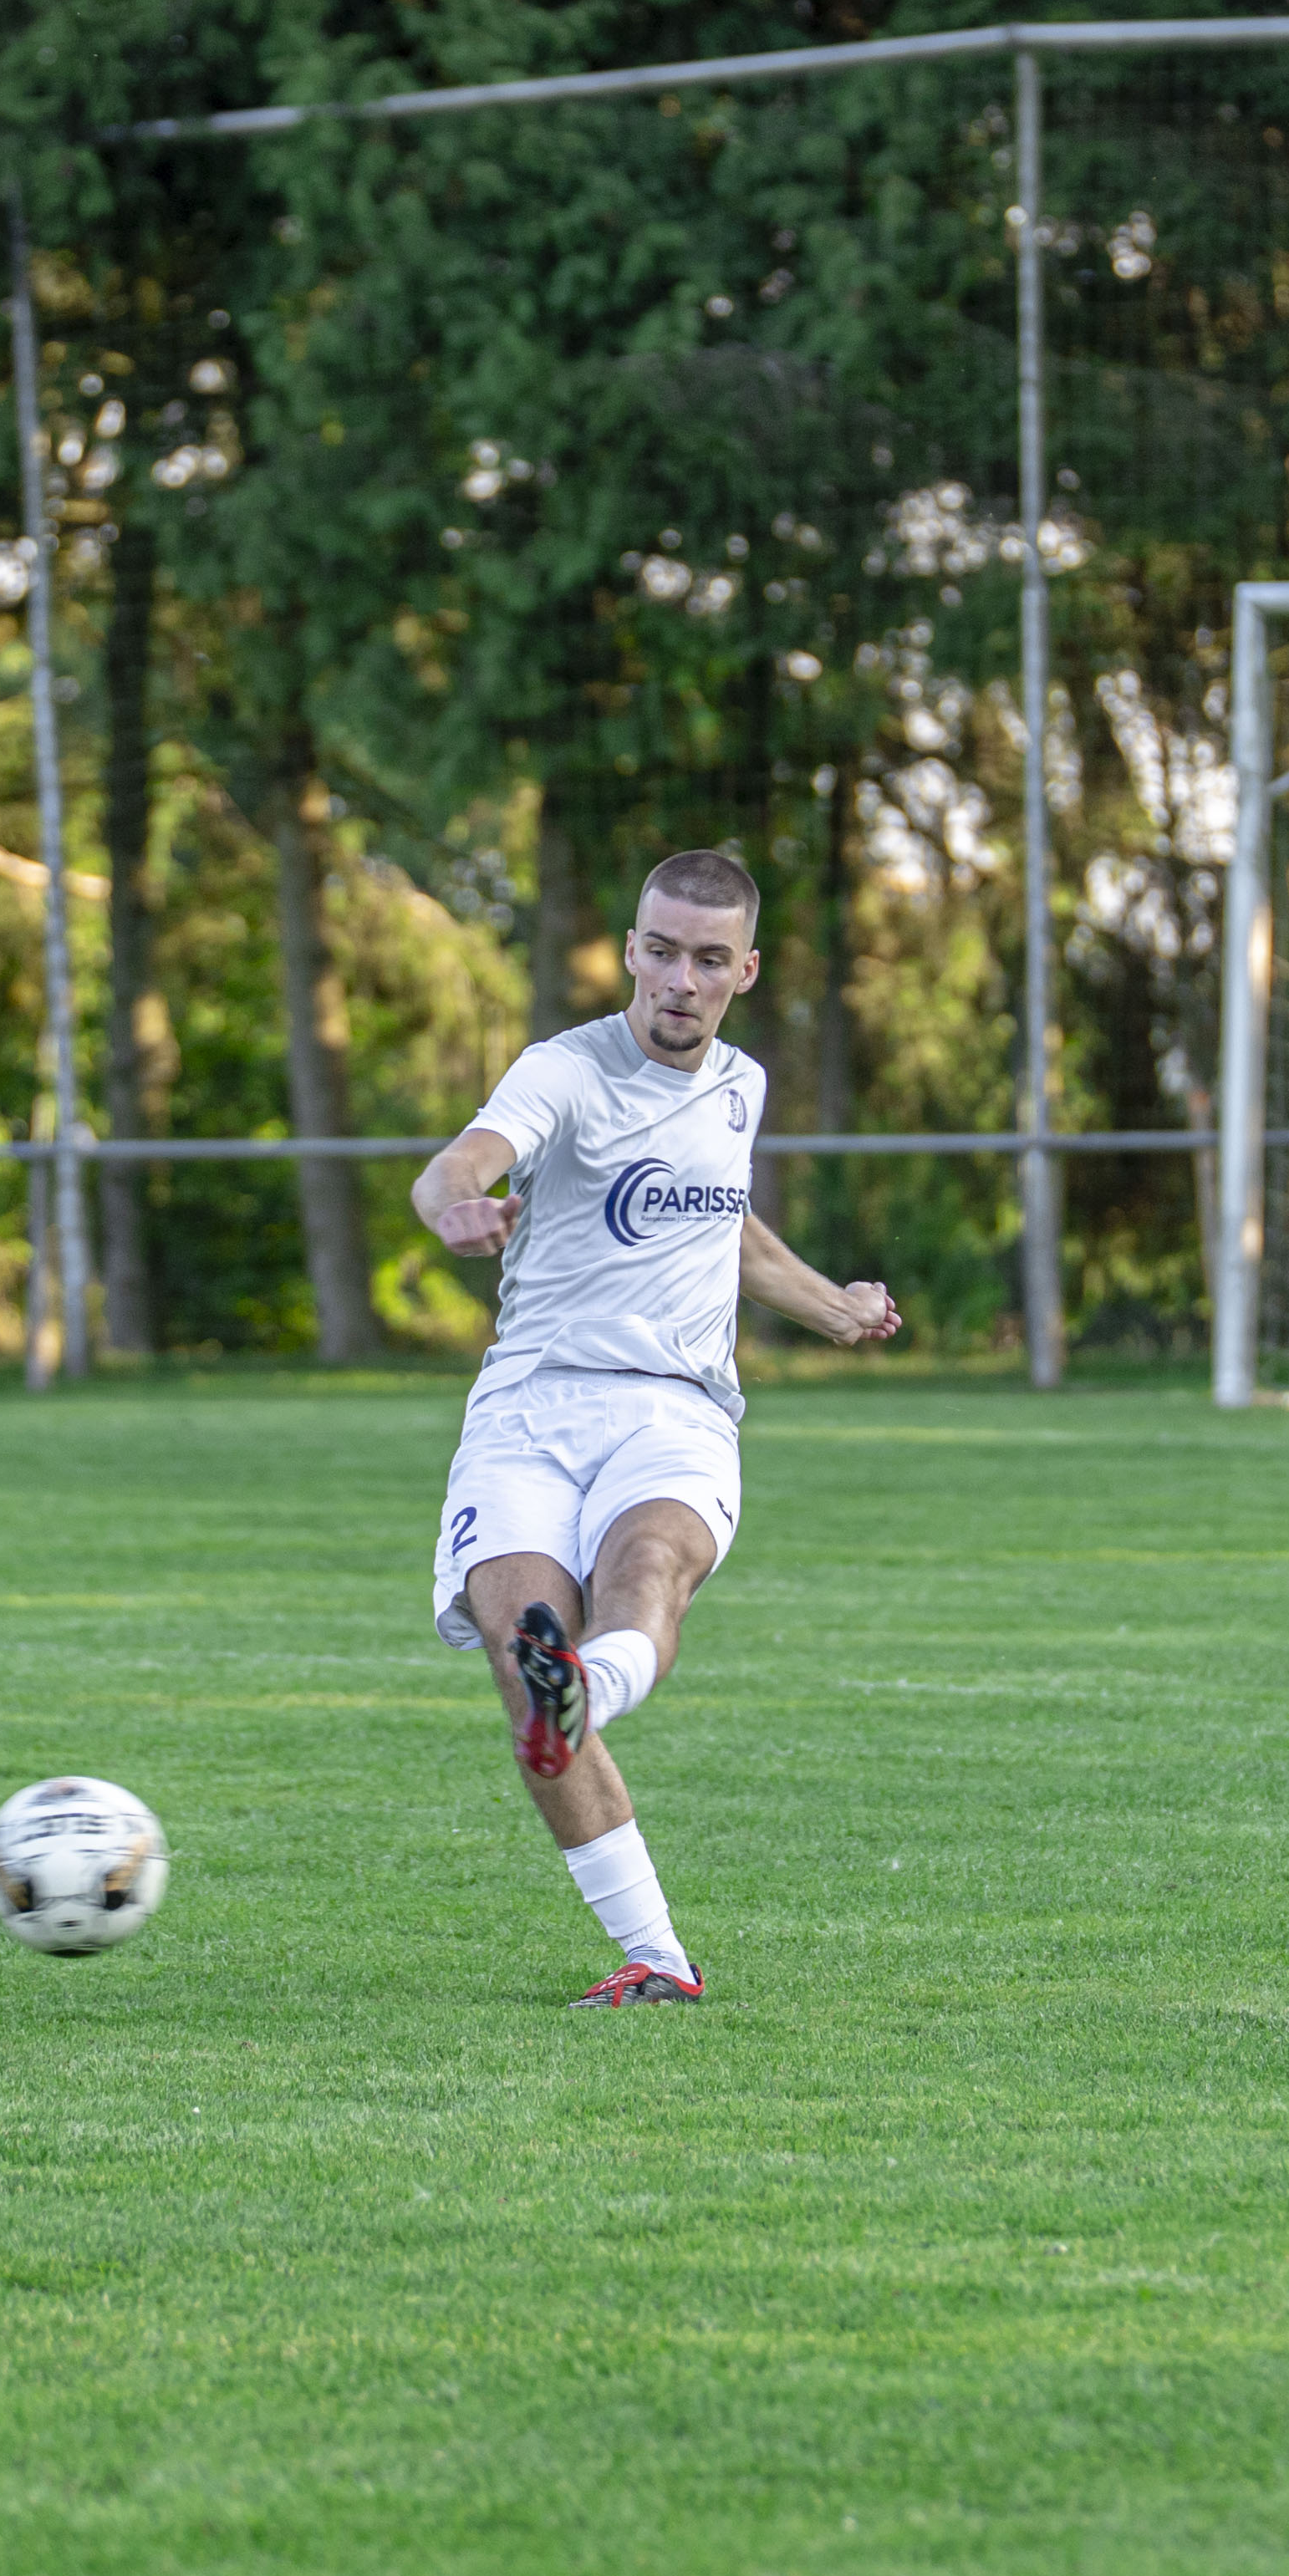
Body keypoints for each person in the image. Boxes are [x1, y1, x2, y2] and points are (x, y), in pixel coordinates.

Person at [405, 845, 902, 2005]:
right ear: (633, 950)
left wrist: (830, 1303)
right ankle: (658, 1959)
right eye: (663, 951)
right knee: (517, 1631)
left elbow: (718, 1220)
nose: (681, 978)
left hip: (674, 1406)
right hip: (531, 1401)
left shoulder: (742, 1087)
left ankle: (587, 1687)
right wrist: (454, 1208)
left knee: (650, 1565)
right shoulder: (563, 1072)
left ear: (746, 971)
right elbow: (460, 1161)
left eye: (709, 960)